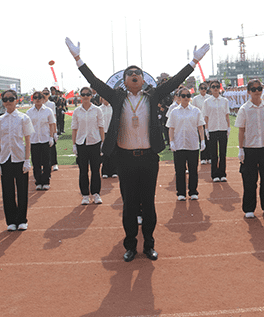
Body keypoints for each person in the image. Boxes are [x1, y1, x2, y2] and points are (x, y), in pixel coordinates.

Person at [66, 37, 209, 262]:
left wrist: (194, 61)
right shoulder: (116, 97)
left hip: (148, 158)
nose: (134, 75)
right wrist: (77, 58)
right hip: (125, 159)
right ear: (124, 80)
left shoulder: (152, 96)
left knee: (148, 203)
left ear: (143, 79)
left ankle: (149, 244)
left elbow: (174, 83)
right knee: (129, 204)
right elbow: (92, 79)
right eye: (129, 73)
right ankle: (130, 245)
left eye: (138, 73)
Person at [235, 79, 264, 218]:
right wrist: (241, 149)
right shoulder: (244, 109)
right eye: (253, 89)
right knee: (249, 180)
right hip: (250, 148)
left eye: (259, 88)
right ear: (248, 92)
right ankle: (249, 208)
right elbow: (241, 130)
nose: (257, 92)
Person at [0, 90, 34, 231]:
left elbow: (28, 140)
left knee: (22, 190)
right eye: (5, 99)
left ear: (17, 100)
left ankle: (22, 219)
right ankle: (10, 220)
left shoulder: (24, 118)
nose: (8, 101)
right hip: (5, 158)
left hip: (19, 158)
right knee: (7, 191)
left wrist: (27, 160)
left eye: (11, 99)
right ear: (2, 101)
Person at [166, 87, 205, 201]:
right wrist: (171, 141)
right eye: (183, 96)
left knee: (193, 170)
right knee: (179, 170)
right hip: (178, 144)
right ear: (179, 97)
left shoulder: (196, 111)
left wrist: (202, 140)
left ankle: (193, 191)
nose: (186, 98)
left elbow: (200, 127)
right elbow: (171, 128)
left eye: (188, 96)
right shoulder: (174, 111)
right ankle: (181, 192)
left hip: (192, 144)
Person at [71, 87, 105, 205]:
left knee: (96, 170)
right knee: (83, 170)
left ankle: (96, 194)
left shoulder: (97, 110)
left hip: (95, 142)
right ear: (80, 96)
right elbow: (74, 129)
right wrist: (74, 144)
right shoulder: (76, 111)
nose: (85, 96)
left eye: (88, 94)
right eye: (83, 94)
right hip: (81, 143)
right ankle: (85, 195)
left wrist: (102, 144)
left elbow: (101, 127)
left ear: (91, 96)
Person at [26, 91, 56, 190]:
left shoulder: (48, 111)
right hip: (34, 140)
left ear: (43, 99)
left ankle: (46, 180)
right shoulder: (29, 112)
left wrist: (52, 137)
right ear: (33, 99)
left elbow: (51, 124)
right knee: (36, 162)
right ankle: (38, 181)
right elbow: (27, 127)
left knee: (46, 162)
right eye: (35, 97)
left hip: (45, 139)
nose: (37, 99)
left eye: (40, 97)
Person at [203, 80, 230, 182]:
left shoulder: (225, 101)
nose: (215, 88)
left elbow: (227, 115)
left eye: (217, 86)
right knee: (213, 154)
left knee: (223, 153)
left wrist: (228, 127)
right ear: (210, 89)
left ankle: (223, 173)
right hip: (212, 129)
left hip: (223, 128)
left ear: (220, 88)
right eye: (213, 86)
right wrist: (206, 129)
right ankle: (214, 175)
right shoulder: (207, 102)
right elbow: (205, 117)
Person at [191, 82, 211, 164]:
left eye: (205, 88)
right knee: (201, 139)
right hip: (199, 122)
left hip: (208, 121)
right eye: (202, 88)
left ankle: (209, 157)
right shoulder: (195, 99)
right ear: (199, 89)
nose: (203, 90)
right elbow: (193, 110)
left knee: (209, 139)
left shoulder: (209, 98)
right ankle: (203, 157)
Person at [41, 88, 59, 172]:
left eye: (46, 93)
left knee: (52, 147)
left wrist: (55, 131)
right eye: (43, 93)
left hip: (50, 127)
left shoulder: (51, 104)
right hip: (41, 129)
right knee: (42, 147)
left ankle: (54, 163)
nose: (45, 95)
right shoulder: (38, 104)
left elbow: (54, 117)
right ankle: (43, 164)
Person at [100, 97, 118, 178]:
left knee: (113, 152)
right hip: (103, 132)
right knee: (105, 152)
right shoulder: (99, 109)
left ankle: (114, 171)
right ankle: (105, 171)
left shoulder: (113, 108)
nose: (105, 100)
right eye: (103, 98)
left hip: (112, 132)